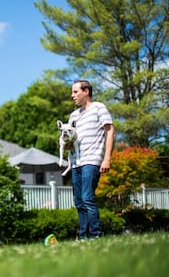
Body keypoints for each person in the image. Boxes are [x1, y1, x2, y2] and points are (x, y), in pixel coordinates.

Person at [68, 80, 115, 241]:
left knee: (87, 197)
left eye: (75, 92)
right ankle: (83, 237)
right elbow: (69, 138)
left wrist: (107, 158)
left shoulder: (98, 108)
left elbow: (110, 131)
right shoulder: (74, 115)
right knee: (79, 201)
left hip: (92, 160)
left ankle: (95, 235)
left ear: (86, 91)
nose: (72, 95)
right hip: (76, 162)